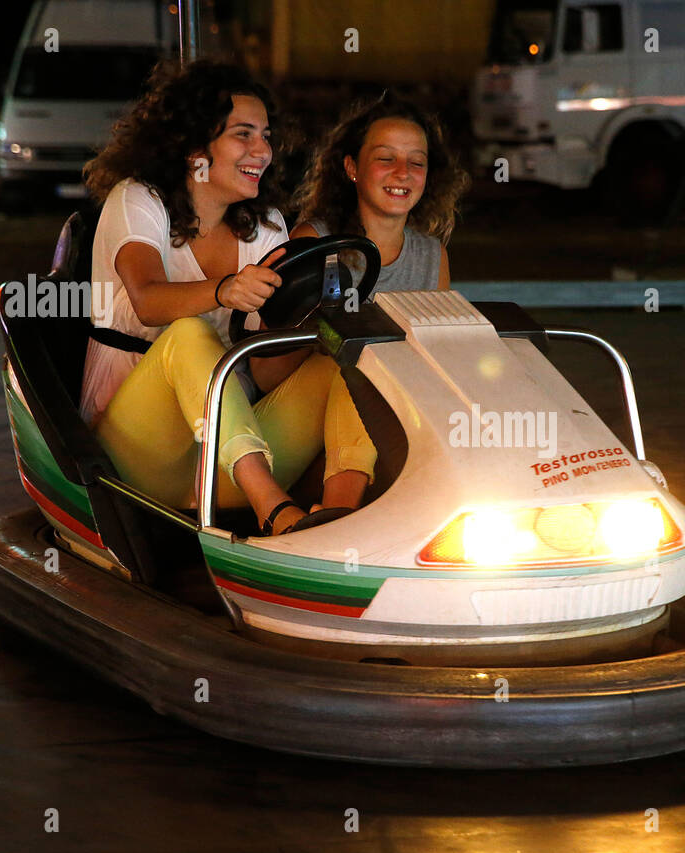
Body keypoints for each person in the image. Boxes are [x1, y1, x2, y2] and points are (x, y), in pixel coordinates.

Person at [79, 60, 375, 536]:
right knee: (190, 333)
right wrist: (224, 289)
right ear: (195, 144)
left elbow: (261, 371)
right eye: (244, 134)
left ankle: (336, 521)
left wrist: (314, 330)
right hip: (133, 460)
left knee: (344, 362)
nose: (263, 150)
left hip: (224, 463)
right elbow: (148, 301)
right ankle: (276, 513)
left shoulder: (267, 228)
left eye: (266, 135)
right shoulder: (138, 201)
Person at [288, 92, 470, 292]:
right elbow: (279, 324)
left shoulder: (433, 257)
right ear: (352, 167)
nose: (403, 172)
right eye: (385, 158)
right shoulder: (314, 243)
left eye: (417, 162)